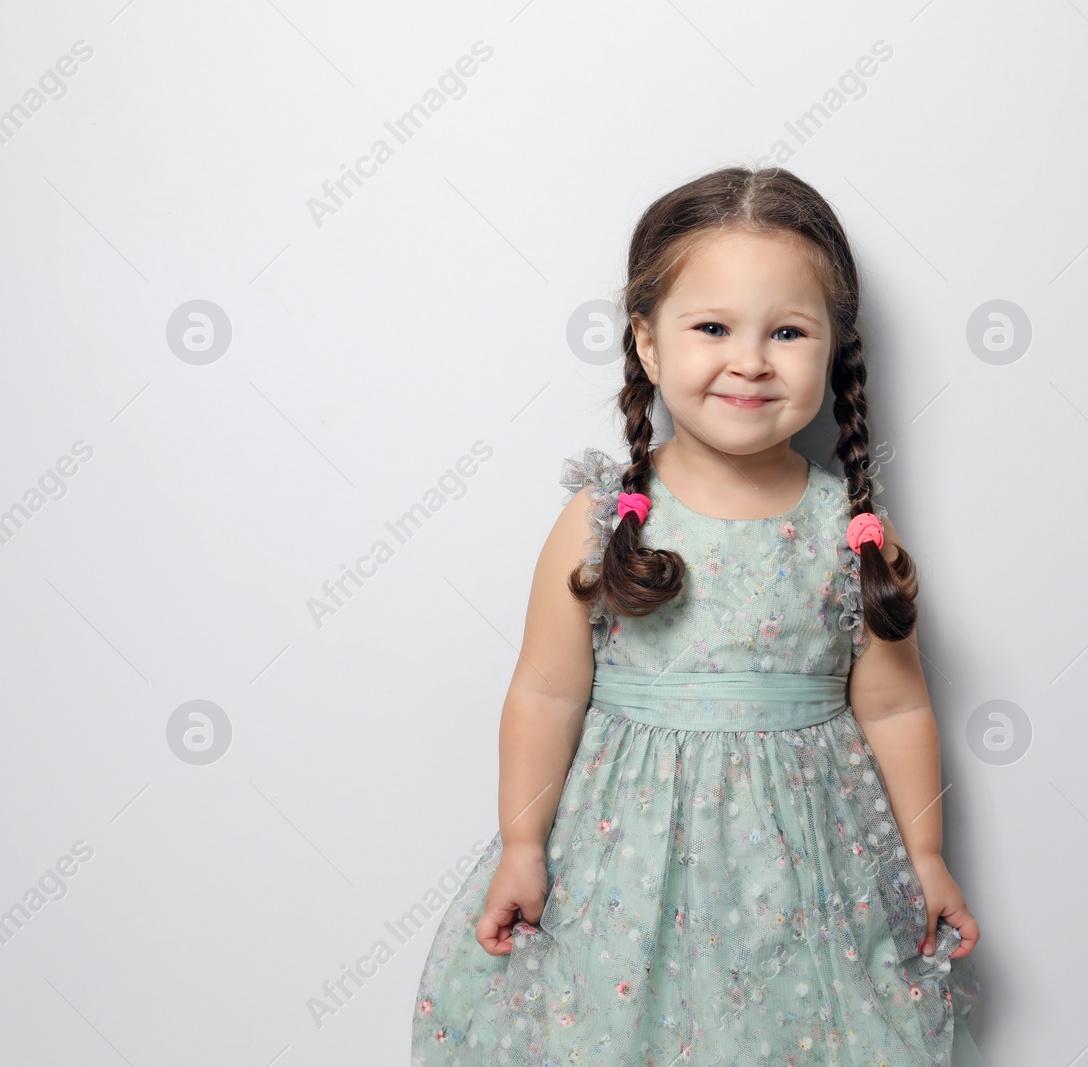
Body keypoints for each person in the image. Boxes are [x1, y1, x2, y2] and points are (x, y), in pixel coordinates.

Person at [410, 165, 984, 1066]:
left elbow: (897, 706)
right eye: (712, 327)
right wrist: (523, 842)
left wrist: (926, 854)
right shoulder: (602, 520)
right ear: (646, 342)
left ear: (832, 348)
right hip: (625, 869)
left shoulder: (852, 530)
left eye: (787, 331)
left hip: (812, 875)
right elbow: (546, 692)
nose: (749, 359)